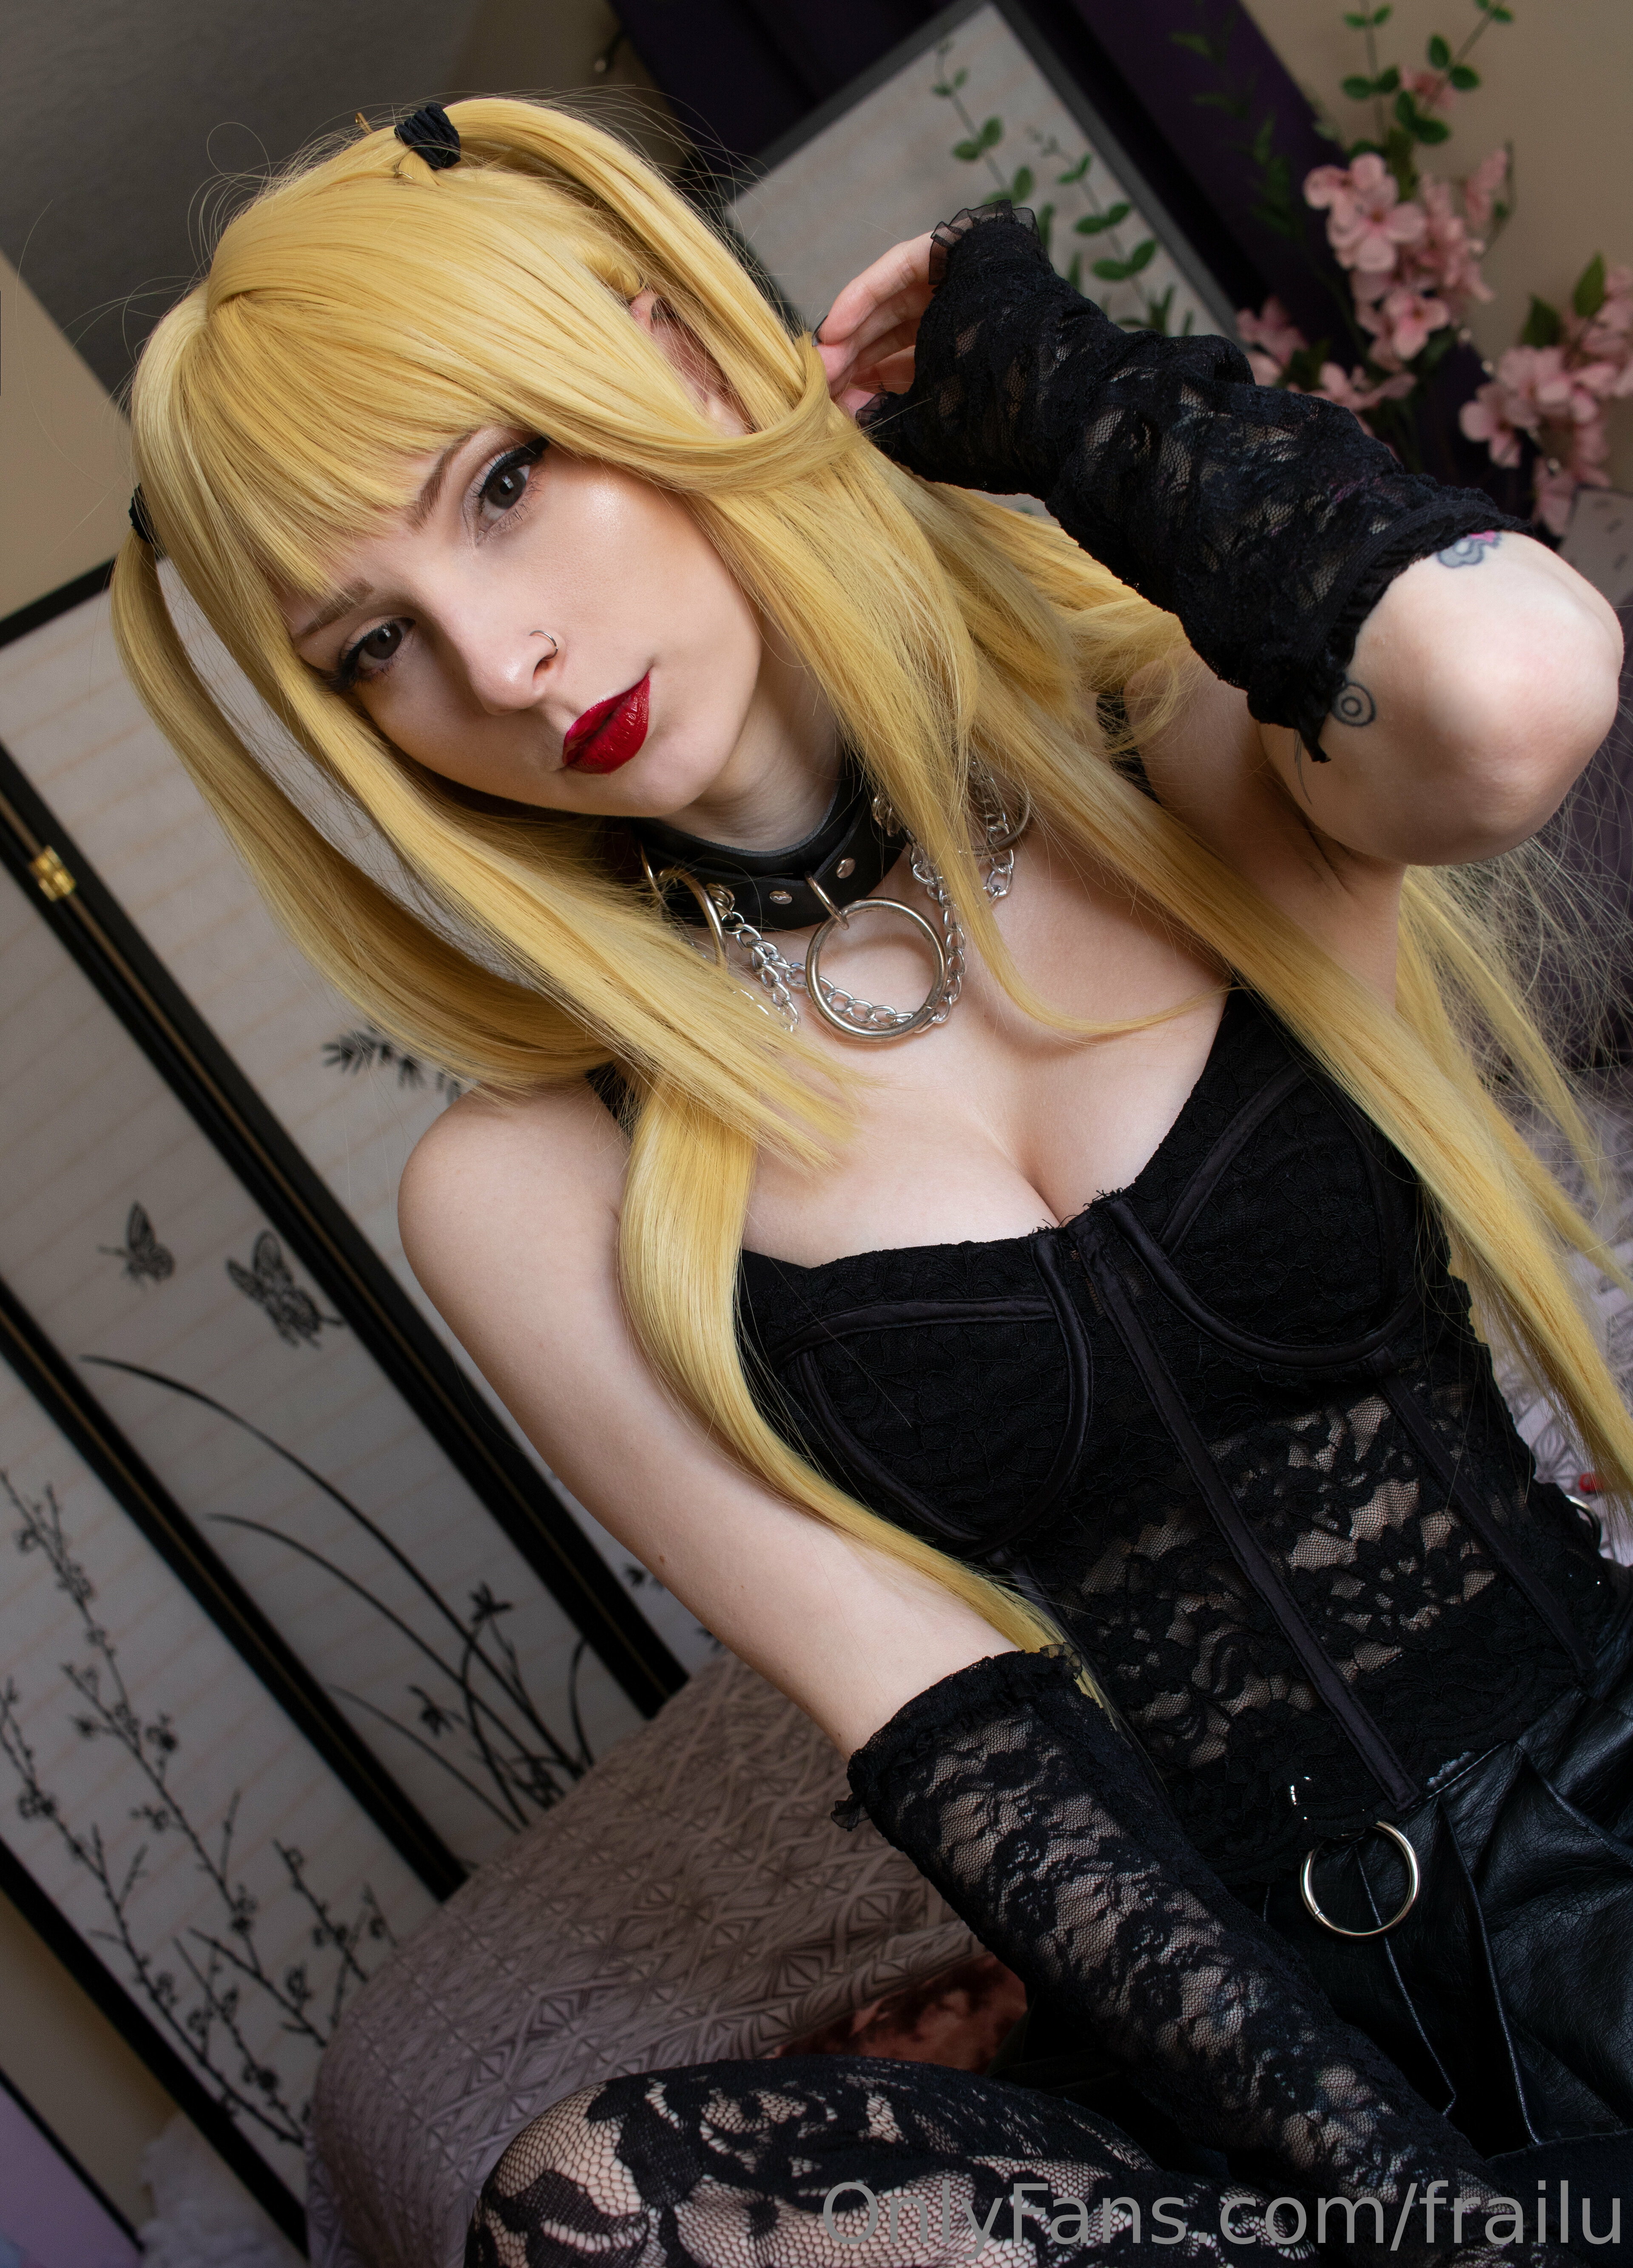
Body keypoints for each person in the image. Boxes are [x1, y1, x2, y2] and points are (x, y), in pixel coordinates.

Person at [110, 97, 1633, 2268]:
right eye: (375, 643)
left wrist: (1071, 394)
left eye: (506, 484)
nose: (500, 665)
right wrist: (1424, 2208)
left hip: (1598, 1810)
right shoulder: (534, 1179)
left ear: (678, 351)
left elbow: (1511, 689)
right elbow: (960, 1739)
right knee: (590, 2197)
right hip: (1234, 2048)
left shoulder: (1192, 753)